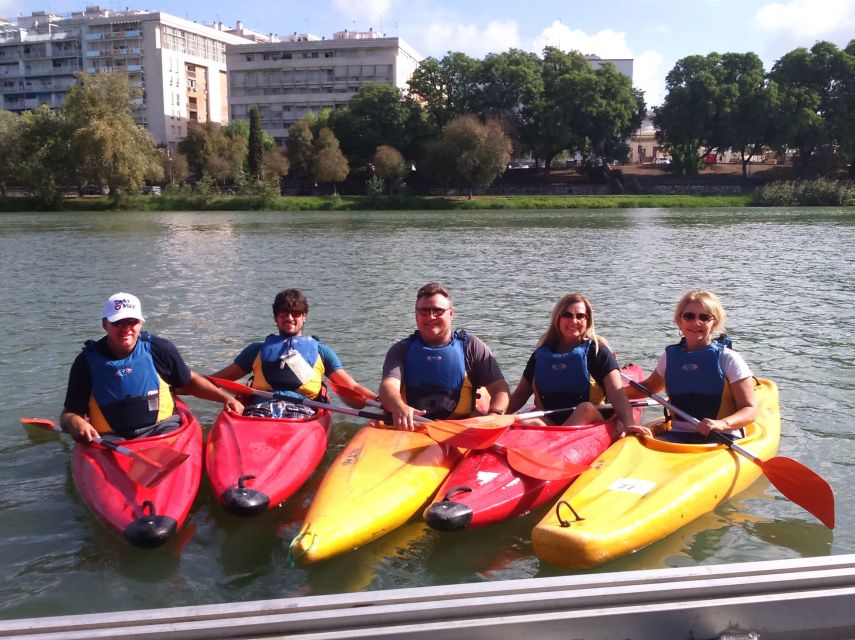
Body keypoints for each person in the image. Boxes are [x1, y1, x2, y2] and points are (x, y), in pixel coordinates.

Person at [61, 292, 243, 443]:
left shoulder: (159, 349)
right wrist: (74, 422)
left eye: (132, 322)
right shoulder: (85, 362)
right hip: (111, 441)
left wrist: (226, 399)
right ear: (105, 324)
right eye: (118, 323)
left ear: (140, 323)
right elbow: (68, 415)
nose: (126, 329)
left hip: (164, 431)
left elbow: (189, 382)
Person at [211, 288, 375, 418]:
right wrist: (188, 384)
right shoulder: (256, 350)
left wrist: (379, 401)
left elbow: (351, 386)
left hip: (303, 412)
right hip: (260, 410)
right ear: (276, 318)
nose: (289, 318)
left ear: (304, 317)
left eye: (295, 313)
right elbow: (218, 379)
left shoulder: (322, 351)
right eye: (283, 314)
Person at [506, 293, 644, 437]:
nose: (574, 320)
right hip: (551, 420)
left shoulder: (598, 352)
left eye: (580, 316)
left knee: (584, 409)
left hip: (590, 420)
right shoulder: (540, 355)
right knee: (529, 422)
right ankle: (553, 439)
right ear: (557, 318)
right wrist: (495, 414)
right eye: (567, 315)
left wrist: (629, 424)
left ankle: (557, 440)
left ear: (588, 321)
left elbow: (617, 395)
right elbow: (518, 397)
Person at [630, 289, 757, 443]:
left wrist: (721, 424)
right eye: (689, 316)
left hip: (722, 438)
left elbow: (750, 410)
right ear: (680, 320)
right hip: (677, 436)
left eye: (704, 317)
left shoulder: (728, 358)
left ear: (714, 322)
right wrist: (612, 393)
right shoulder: (669, 357)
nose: (696, 323)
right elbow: (649, 386)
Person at [379, 282, 510, 430]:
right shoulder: (401, 349)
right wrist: (398, 405)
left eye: (438, 311)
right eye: (424, 311)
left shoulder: (472, 346)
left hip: (460, 426)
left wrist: (495, 414)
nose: (431, 316)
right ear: (416, 314)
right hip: (412, 426)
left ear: (451, 313)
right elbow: (388, 386)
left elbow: (500, 388)